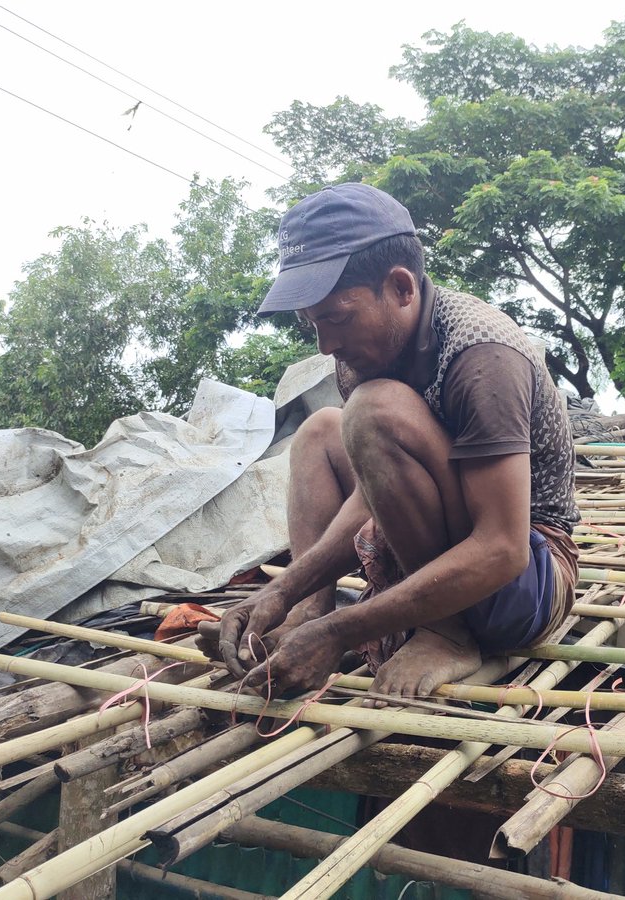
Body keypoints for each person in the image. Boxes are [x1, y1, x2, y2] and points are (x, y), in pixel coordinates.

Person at [199, 183, 579, 701]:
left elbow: (502, 550)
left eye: (337, 318)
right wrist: (285, 591)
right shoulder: (361, 357)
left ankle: (447, 632)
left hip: (523, 583)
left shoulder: (483, 355)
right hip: (438, 552)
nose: (326, 344)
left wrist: (342, 632)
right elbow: (375, 494)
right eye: (311, 324)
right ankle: (310, 610)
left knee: (371, 411)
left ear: (401, 287)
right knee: (319, 431)